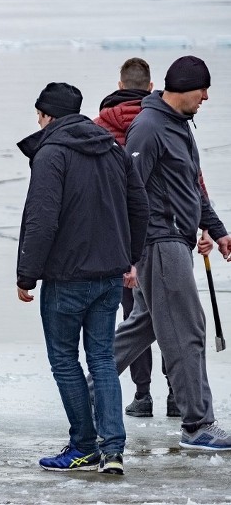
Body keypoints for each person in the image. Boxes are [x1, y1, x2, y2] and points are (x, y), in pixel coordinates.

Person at [17, 82, 148, 475]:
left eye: (38, 115)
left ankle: (83, 446)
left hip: (67, 278)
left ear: (47, 115)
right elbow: (138, 205)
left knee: (64, 360)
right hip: (109, 274)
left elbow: (41, 219)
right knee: (103, 360)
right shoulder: (111, 148)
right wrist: (130, 259)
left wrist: (26, 274)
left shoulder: (51, 153)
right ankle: (113, 450)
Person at [114, 55, 231, 451]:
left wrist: (217, 230)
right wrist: (130, 254)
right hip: (160, 244)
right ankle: (198, 425)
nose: (207, 97)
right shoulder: (147, 128)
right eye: (203, 89)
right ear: (185, 87)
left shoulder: (179, 126)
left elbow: (191, 188)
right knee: (186, 332)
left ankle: (87, 388)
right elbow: (130, 192)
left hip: (175, 242)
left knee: (144, 325)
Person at [95, 57, 180, 419]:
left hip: (122, 235)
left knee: (134, 316)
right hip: (168, 232)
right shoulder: (164, 121)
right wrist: (205, 227)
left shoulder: (100, 127)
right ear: (150, 87)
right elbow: (189, 176)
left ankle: (142, 395)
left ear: (118, 84)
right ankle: (177, 394)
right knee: (172, 315)